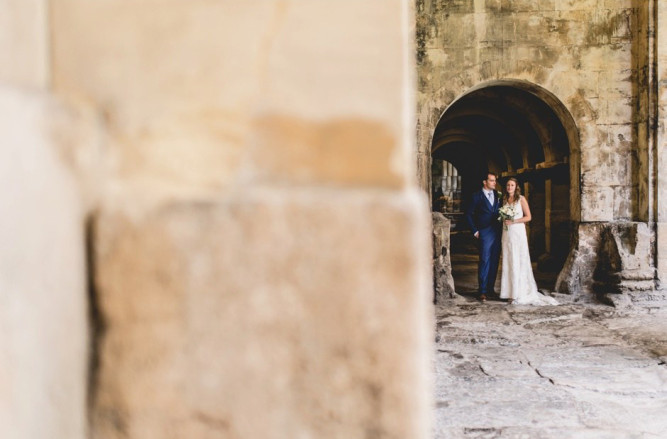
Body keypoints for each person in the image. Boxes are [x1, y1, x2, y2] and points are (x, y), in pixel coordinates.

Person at [500, 178, 558, 305]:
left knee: (518, 259)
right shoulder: (505, 199)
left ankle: (518, 292)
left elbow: (529, 217)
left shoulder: (521, 199)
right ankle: (509, 292)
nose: (510, 187)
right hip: (507, 233)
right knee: (509, 260)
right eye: (508, 185)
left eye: (512, 185)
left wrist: (513, 221)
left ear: (516, 187)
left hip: (517, 232)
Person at [465, 172, 501, 302]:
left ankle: (491, 290)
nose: (494, 183)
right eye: (491, 181)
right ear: (484, 182)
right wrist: (475, 231)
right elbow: (468, 214)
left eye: (495, 181)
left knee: (495, 261)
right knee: (485, 260)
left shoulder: (498, 195)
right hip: (484, 232)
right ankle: (482, 291)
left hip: (497, 231)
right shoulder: (476, 196)